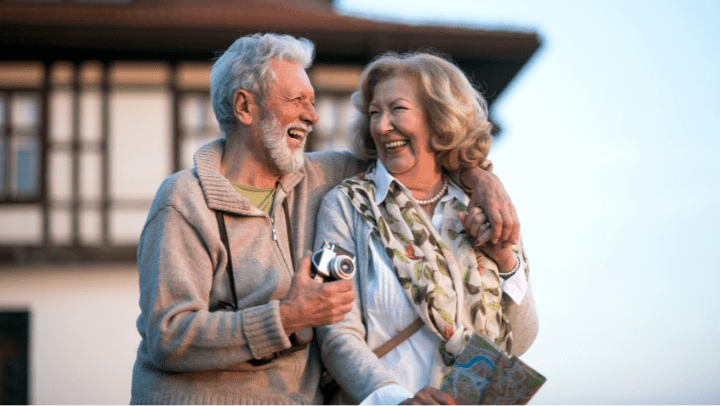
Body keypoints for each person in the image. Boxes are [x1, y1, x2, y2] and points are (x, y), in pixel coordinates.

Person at [130, 33, 521, 405]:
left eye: (313, 100)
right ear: (245, 107)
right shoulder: (183, 200)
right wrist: (287, 317)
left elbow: (416, 155)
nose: (312, 115)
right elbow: (168, 337)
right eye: (297, 99)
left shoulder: (321, 177)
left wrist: (482, 179)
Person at [314, 51, 539, 405]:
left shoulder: (484, 205)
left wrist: (505, 260)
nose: (382, 126)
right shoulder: (344, 206)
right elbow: (335, 331)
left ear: (440, 120)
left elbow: (521, 339)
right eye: (375, 113)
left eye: (397, 110)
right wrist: (394, 399)